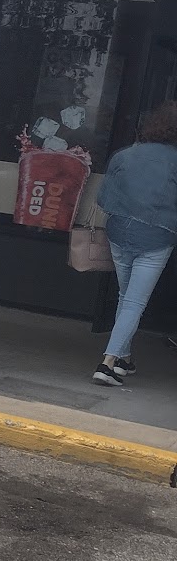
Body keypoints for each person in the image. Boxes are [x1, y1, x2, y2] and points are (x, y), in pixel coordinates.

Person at [92, 101, 177, 386]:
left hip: (119, 232)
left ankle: (123, 359)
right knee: (134, 303)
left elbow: (103, 199)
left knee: (125, 297)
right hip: (158, 236)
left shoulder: (124, 155)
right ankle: (107, 364)